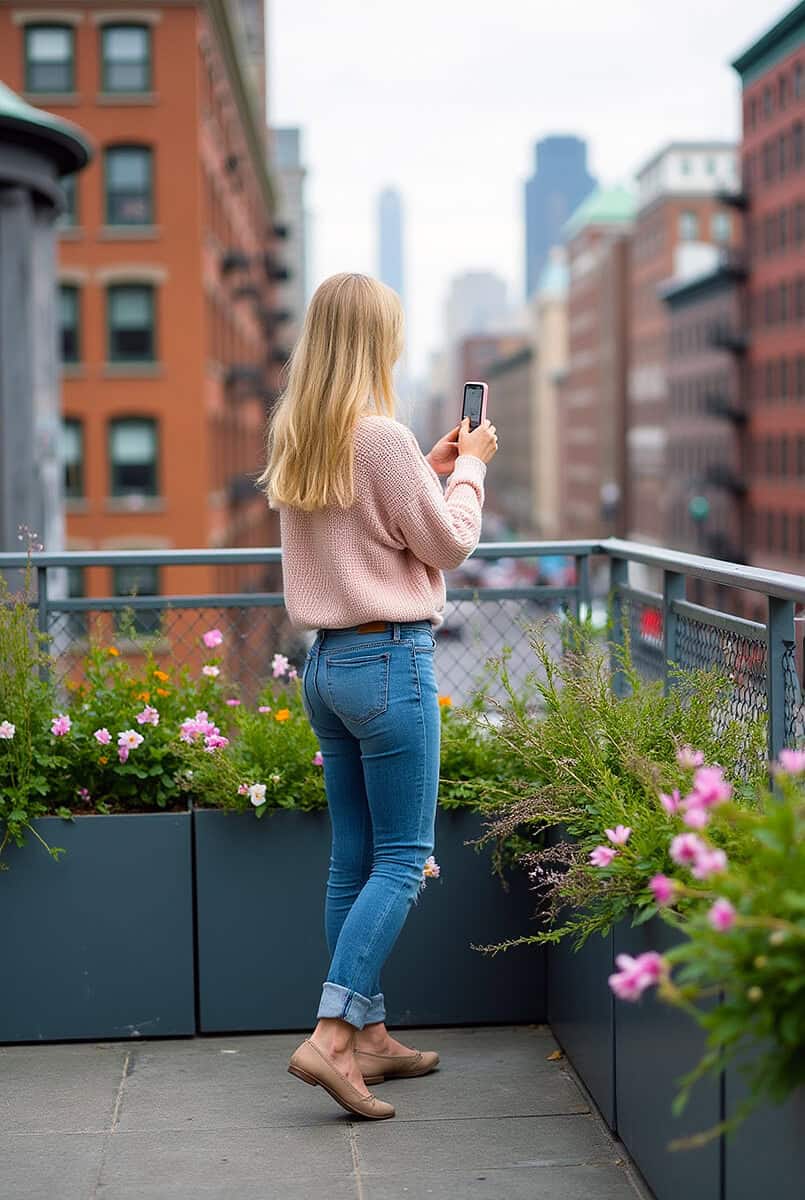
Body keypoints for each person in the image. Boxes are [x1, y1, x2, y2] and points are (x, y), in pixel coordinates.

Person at [258, 272, 498, 1121]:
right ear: (376, 342)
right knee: (400, 859)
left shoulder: (302, 435)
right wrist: (470, 470)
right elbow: (450, 543)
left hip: (326, 666)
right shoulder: (379, 437)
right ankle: (332, 1036)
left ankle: (371, 1037)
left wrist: (428, 468)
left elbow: (365, 524)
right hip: (390, 661)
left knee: (352, 860)